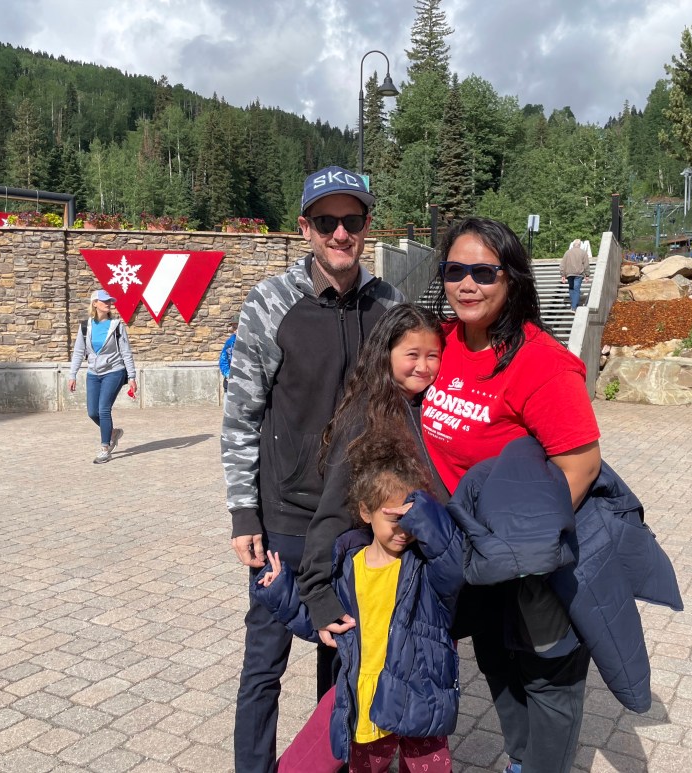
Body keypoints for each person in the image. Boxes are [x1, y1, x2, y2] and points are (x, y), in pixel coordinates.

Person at [221, 164, 404, 772]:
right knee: (263, 669)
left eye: (352, 220)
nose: (341, 233)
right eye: (327, 222)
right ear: (305, 228)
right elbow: (241, 415)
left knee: (345, 667)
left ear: (368, 225)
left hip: (355, 527)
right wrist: (243, 513)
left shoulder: (390, 306)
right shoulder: (271, 303)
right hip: (285, 525)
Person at [421, 217, 602, 773]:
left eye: (484, 272)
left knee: (547, 679)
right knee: (496, 662)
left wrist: (517, 549)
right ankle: (520, 759)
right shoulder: (440, 343)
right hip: (470, 554)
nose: (467, 284)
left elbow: (581, 465)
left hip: (527, 561)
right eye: (455, 270)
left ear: (513, 278)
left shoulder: (541, 363)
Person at [253, 434, 463, 772]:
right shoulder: (349, 567)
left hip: (421, 698)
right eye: (395, 519)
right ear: (366, 511)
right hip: (365, 700)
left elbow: (454, 565)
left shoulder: (425, 567)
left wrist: (427, 517)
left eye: (411, 519)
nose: (404, 530)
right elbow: (324, 624)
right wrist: (281, 590)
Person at [296, 302, 449, 648]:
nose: (423, 367)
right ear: (385, 354)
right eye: (412, 355)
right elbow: (333, 508)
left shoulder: (435, 405)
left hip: (421, 580)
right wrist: (318, 594)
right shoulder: (363, 417)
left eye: (433, 356)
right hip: (376, 584)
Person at [68, 288, 137, 464]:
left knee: (104, 409)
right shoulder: (85, 326)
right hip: (93, 373)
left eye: (110, 301)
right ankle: (112, 432)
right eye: (105, 301)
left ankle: (105, 449)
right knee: (93, 412)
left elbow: (126, 352)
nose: (108, 304)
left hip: (114, 371)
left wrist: (132, 377)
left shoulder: (117, 326)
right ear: (95, 303)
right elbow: (78, 352)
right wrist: (72, 374)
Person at [559, 238, 590, 311]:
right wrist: (587, 275)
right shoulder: (583, 252)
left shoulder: (567, 252)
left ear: (573, 245)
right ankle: (574, 307)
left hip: (569, 274)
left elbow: (562, 264)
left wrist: (563, 275)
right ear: (579, 245)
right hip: (579, 274)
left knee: (571, 288)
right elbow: (586, 265)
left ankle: (573, 305)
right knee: (576, 289)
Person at [219, 314, 238, 392]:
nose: (236, 330)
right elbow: (223, 360)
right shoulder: (229, 343)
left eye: (238, 327)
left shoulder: (249, 342)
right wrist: (227, 374)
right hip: (230, 382)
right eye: (234, 328)